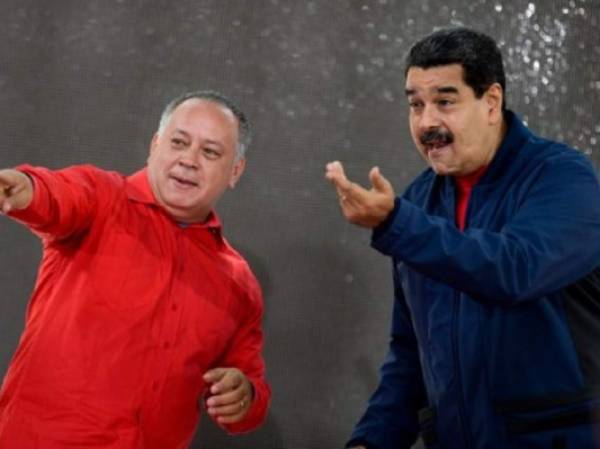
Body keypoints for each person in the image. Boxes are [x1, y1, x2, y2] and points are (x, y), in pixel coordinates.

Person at [326, 27, 600, 449]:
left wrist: (397, 223)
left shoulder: (563, 178)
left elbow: (515, 269)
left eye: (444, 102)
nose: (426, 122)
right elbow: (410, 354)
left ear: (491, 102)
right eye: (415, 105)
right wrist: (370, 441)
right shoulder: (417, 202)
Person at [0, 91, 270, 448]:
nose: (188, 160)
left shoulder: (239, 283)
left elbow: (248, 387)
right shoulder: (101, 199)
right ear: (155, 145)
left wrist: (245, 395)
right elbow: (58, 195)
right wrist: (27, 188)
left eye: (210, 152)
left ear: (235, 170)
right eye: (178, 142)